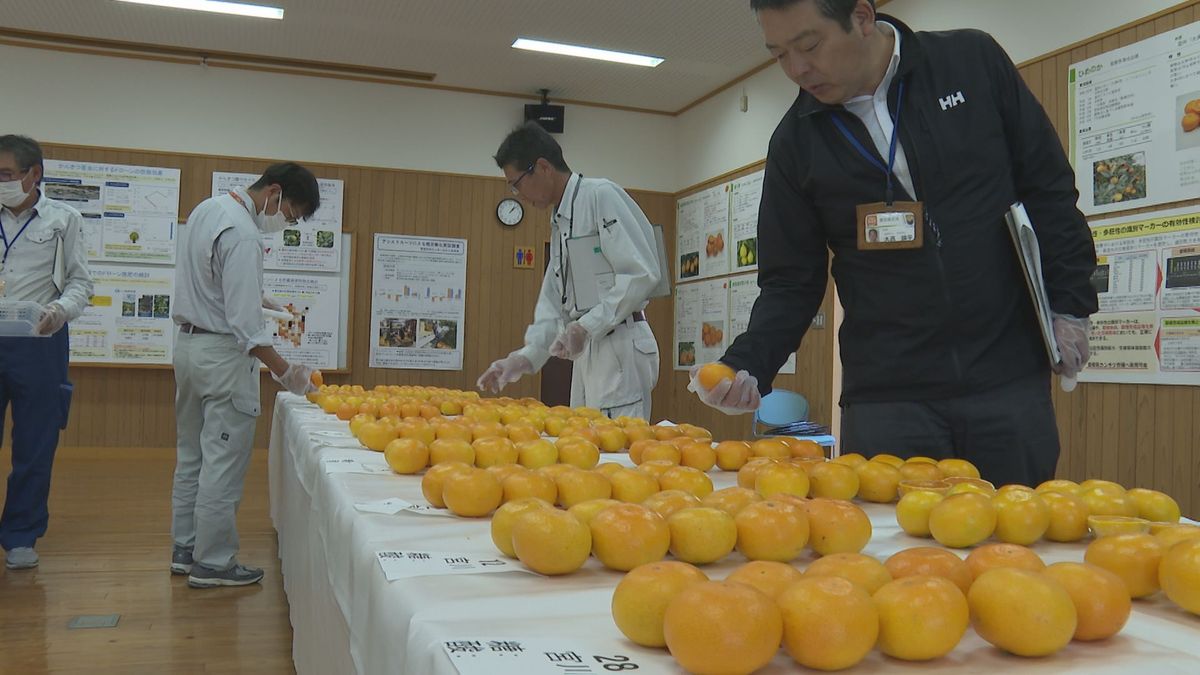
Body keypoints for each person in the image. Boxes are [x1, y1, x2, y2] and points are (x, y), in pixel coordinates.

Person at [691, 0, 1098, 487]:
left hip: (1005, 376)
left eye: (809, 45)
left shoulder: (970, 62)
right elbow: (789, 281)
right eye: (779, 55)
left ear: (862, 17)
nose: (798, 69)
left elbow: (1048, 191)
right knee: (896, 555)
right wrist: (747, 361)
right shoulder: (795, 143)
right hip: (887, 396)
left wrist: (1071, 305)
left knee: (1015, 548)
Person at [171, 162, 320, 588]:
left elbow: (215, 282)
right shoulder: (244, 234)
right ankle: (213, 563)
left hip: (189, 347)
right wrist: (287, 372)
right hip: (223, 357)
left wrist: (269, 302)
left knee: (191, 456)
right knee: (222, 461)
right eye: (289, 214)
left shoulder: (208, 209)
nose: (284, 223)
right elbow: (245, 328)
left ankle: (185, 548)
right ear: (274, 192)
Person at [477, 122, 662, 421]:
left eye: (517, 183)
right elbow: (552, 302)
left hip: (620, 345)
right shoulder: (561, 220)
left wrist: (585, 326)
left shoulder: (600, 195)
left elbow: (641, 275)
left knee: (614, 451)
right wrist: (522, 359)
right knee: (583, 444)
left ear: (542, 167)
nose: (518, 194)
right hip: (590, 348)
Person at [0, 135, 93, 570]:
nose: (1, 182)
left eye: (6, 175)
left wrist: (60, 311)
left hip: (40, 340)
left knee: (35, 445)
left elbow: (81, 283)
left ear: (34, 174)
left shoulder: (63, 219)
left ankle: (21, 534)